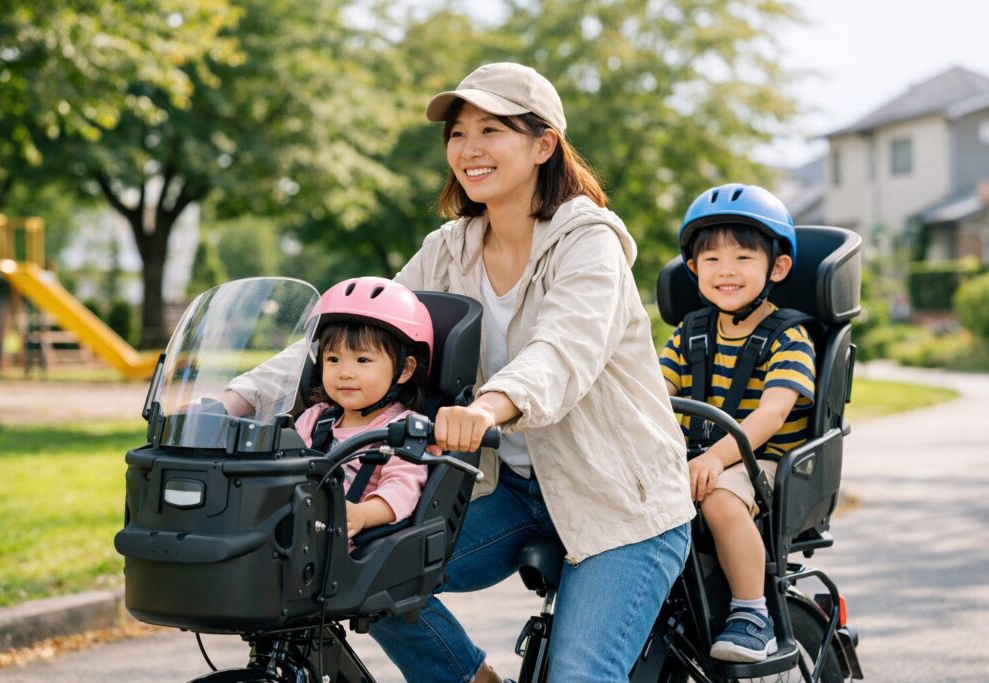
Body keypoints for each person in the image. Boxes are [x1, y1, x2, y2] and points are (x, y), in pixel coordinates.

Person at [222, 62, 694, 682]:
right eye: (457, 134)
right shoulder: (449, 249)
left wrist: (486, 408)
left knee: (580, 675)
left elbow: (564, 350)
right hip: (513, 489)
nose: (469, 149)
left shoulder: (588, 243)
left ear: (543, 145)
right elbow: (356, 327)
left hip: (619, 500)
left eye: (491, 130)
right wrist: (237, 399)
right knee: (357, 569)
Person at [658, 184, 817, 663]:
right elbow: (652, 394)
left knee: (721, 498)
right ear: (693, 268)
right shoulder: (689, 333)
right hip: (697, 457)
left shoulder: (789, 336)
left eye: (743, 258)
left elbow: (772, 413)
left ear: (777, 268)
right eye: (711, 259)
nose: (725, 270)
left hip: (760, 463)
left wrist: (716, 457)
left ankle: (752, 613)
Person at [293, 276, 432, 540]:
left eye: (363, 359)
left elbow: (402, 489)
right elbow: (284, 467)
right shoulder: (315, 418)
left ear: (404, 369)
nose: (345, 372)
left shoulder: (404, 429)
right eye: (333, 359)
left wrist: (363, 514)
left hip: (342, 547)